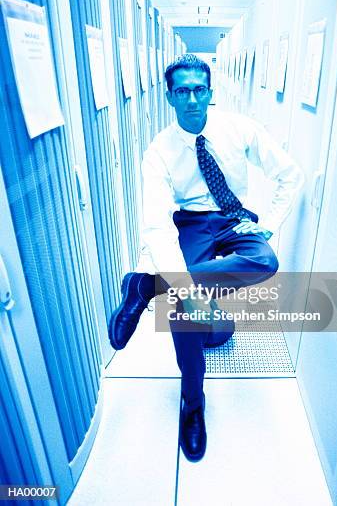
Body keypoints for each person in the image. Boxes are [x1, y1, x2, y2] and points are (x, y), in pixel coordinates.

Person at [108, 53, 304, 462]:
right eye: (183, 91)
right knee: (185, 310)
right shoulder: (158, 151)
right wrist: (183, 288)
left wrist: (267, 223)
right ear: (170, 97)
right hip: (191, 223)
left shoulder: (240, 128)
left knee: (265, 261)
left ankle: (145, 286)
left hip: (235, 218)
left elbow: (290, 174)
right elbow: (156, 225)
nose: (192, 99)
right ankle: (192, 404)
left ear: (211, 93)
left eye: (199, 89)